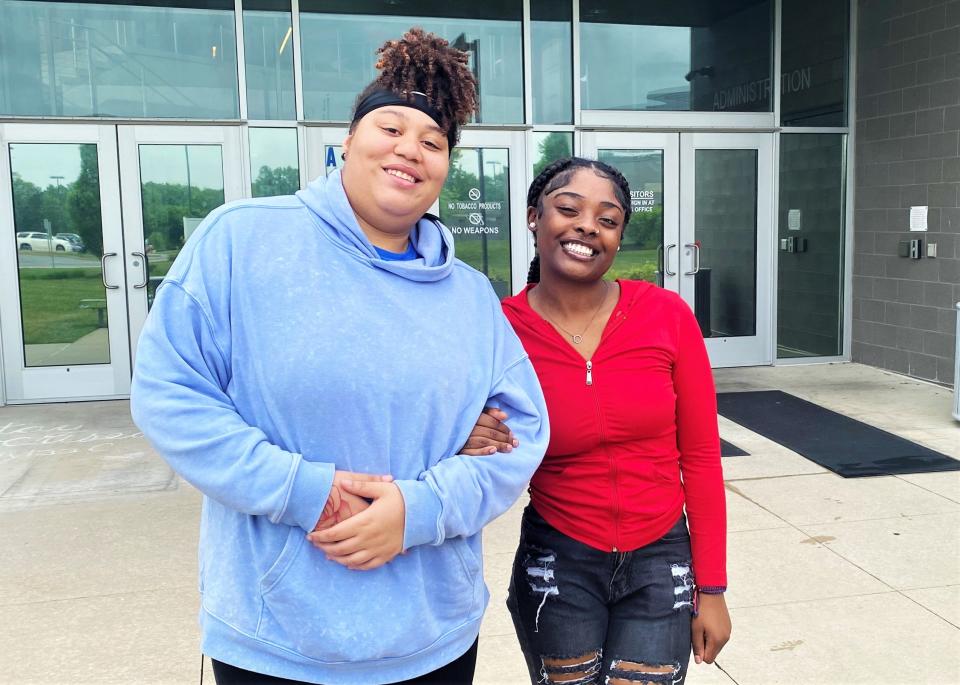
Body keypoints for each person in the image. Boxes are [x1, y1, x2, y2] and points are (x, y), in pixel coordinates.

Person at [130, 28, 549, 685]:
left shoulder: (467, 295)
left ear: (444, 167)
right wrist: (306, 490)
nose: (409, 148)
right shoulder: (243, 243)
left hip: (431, 634)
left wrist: (419, 509)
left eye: (433, 141)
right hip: (278, 635)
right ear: (348, 139)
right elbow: (169, 394)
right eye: (390, 126)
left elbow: (521, 433)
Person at [463, 157, 730, 685]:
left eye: (608, 220)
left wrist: (714, 588)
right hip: (559, 559)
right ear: (535, 217)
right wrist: (469, 434)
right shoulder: (497, 330)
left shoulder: (665, 314)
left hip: (661, 559)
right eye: (569, 209)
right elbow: (454, 429)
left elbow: (700, 457)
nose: (588, 226)